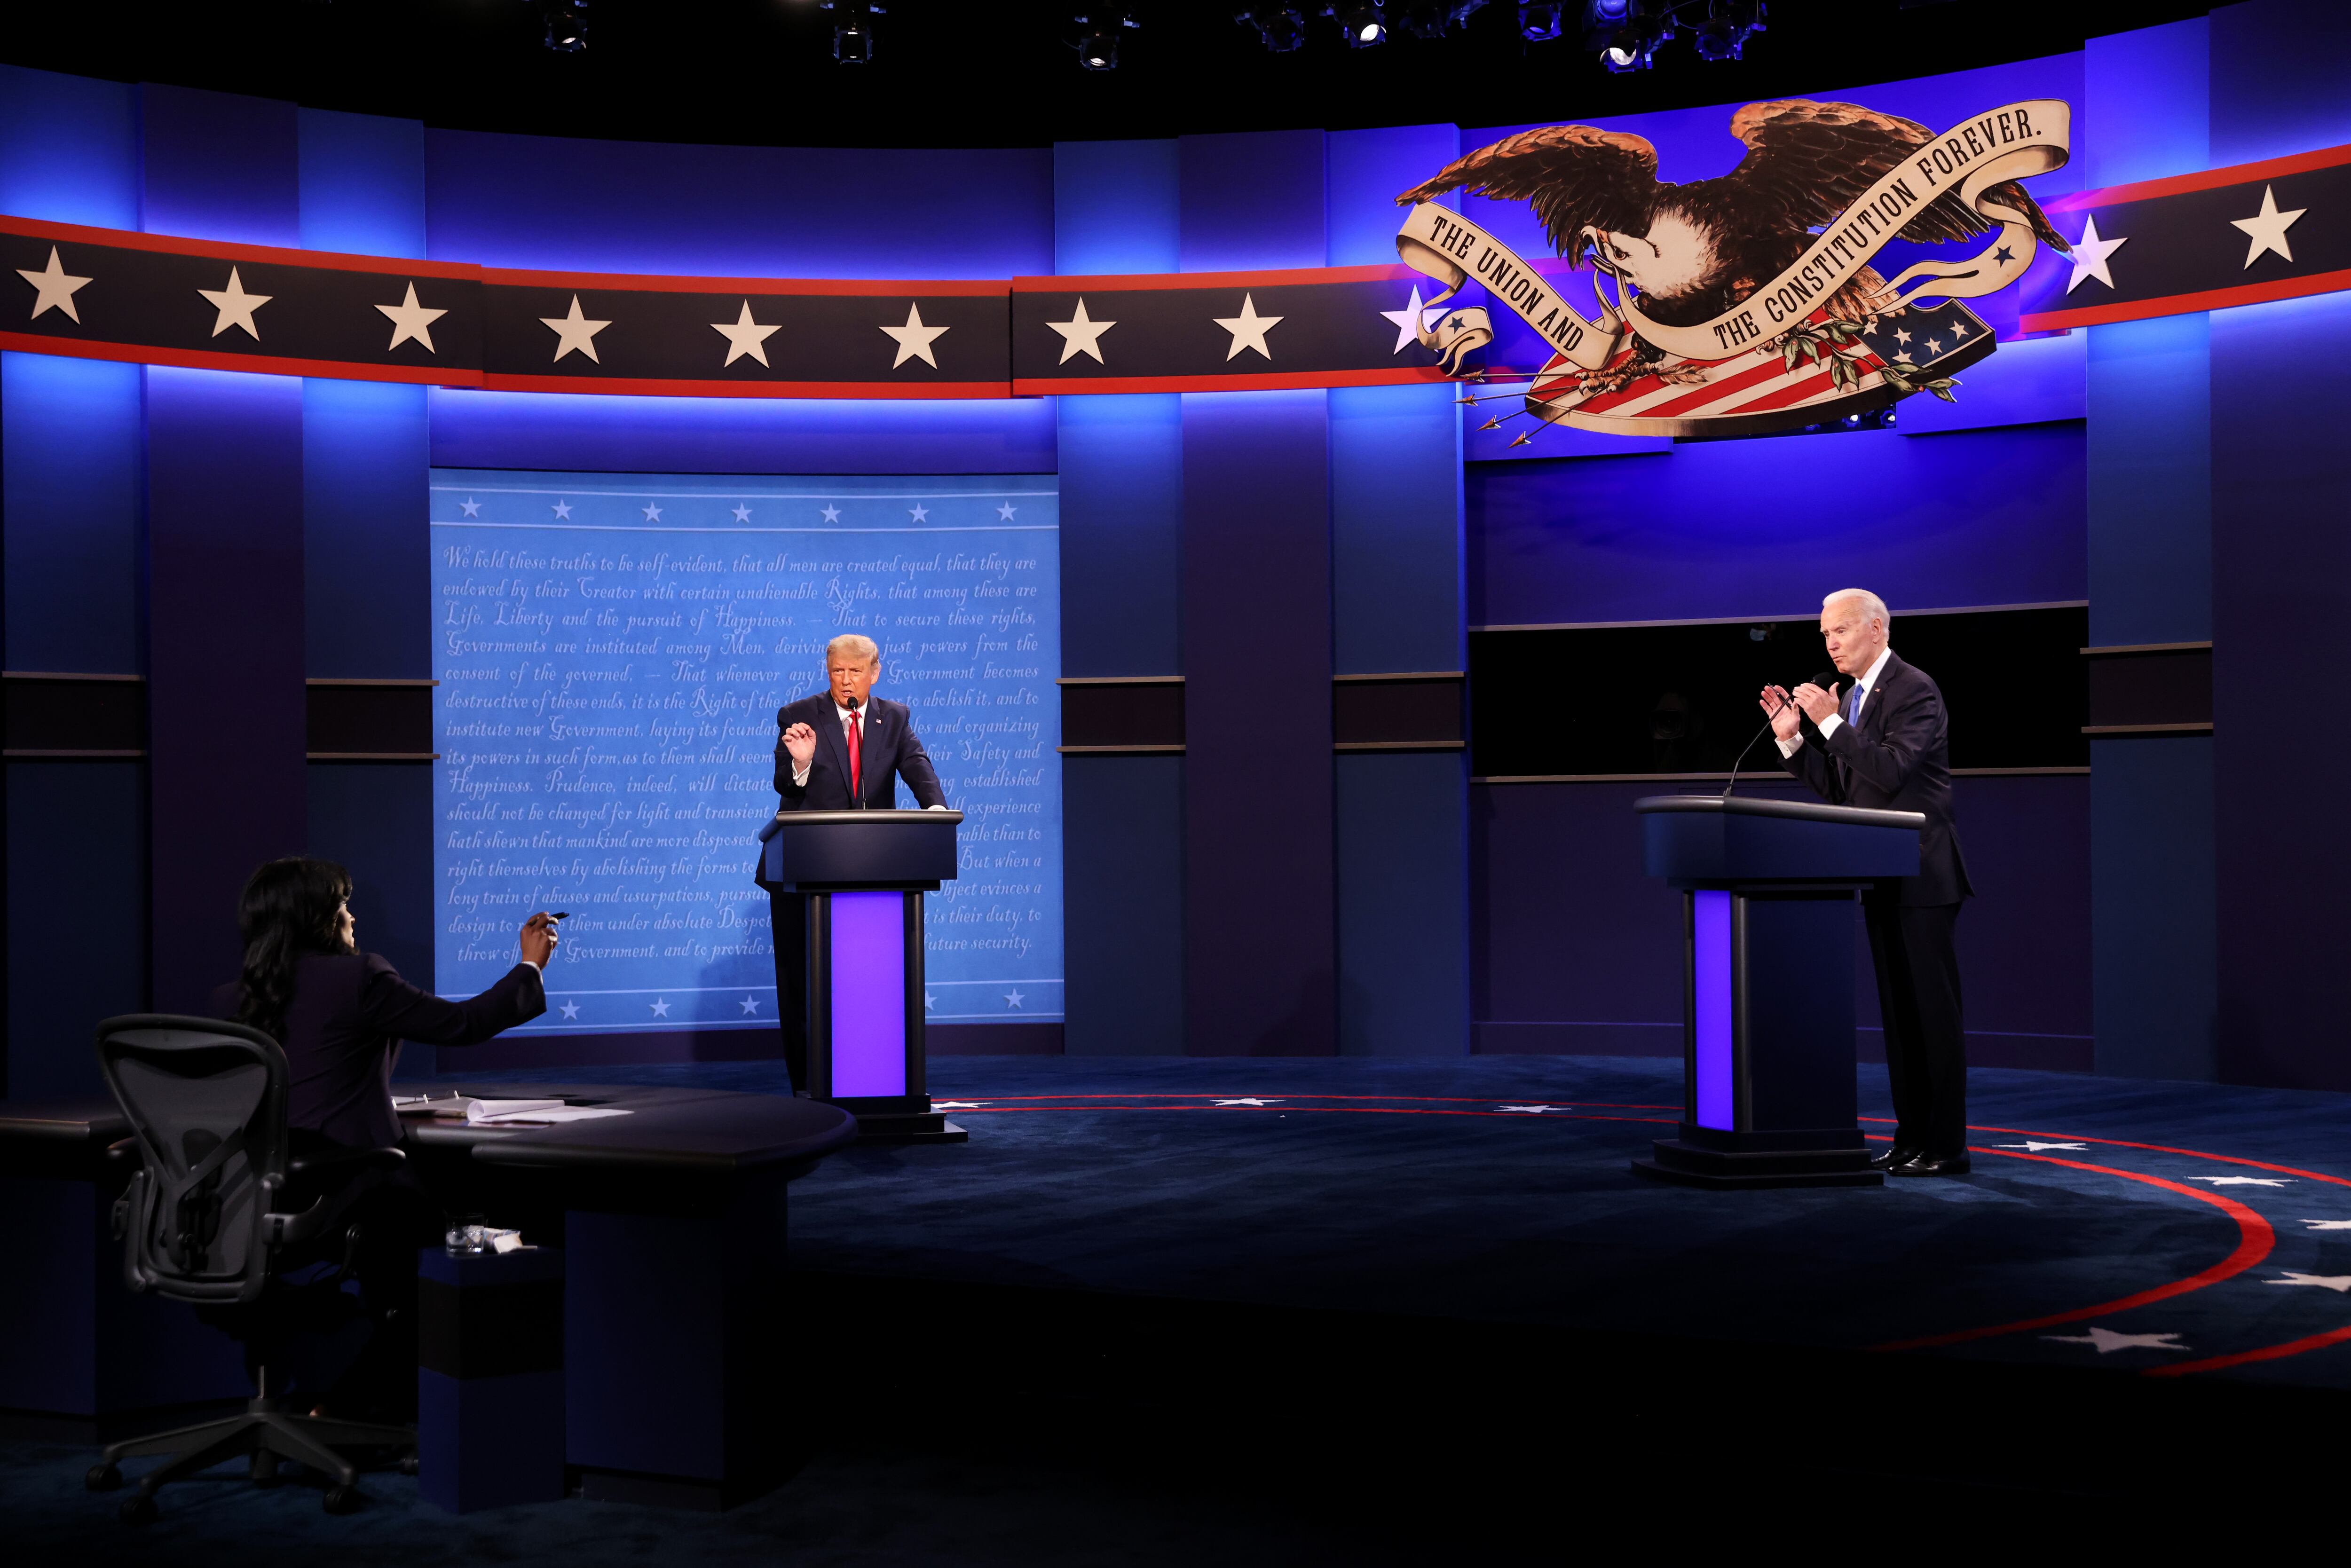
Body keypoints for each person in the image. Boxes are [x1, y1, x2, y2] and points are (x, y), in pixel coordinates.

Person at [210, 856, 557, 1415]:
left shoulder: (229, 999)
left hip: (245, 1204)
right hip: (348, 1191)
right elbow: (462, 1024)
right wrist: (530, 965)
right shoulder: (358, 976)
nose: (352, 916)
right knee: (460, 1252)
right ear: (317, 917)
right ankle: (353, 1411)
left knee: (407, 1265)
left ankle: (355, 1408)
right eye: (341, 904)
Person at [1759, 590, 1973, 1178]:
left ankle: (1946, 1145)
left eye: (1840, 631)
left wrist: (1827, 721)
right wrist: (1793, 738)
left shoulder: (1913, 688)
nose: (1829, 642)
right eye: (1824, 633)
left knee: (1931, 1014)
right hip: (1878, 872)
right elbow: (1843, 790)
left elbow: (1891, 768)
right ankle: (1911, 1139)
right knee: (1900, 1019)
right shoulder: (1851, 698)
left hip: (1923, 873)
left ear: (1876, 629)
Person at [768, 633, 948, 1091]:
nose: (844, 681)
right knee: (802, 981)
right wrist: (801, 764)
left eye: (854, 671)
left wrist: (934, 810)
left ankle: (877, 1080)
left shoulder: (894, 718)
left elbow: (916, 764)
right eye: (836, 671)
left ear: (874, 672)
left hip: (874, 867)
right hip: (803, 869)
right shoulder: (799, 716)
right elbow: (784, 788)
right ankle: (807, 1084)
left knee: (870, 982)